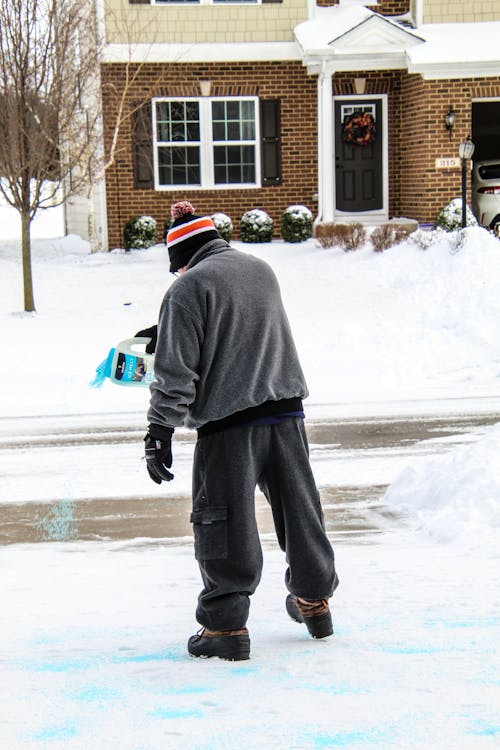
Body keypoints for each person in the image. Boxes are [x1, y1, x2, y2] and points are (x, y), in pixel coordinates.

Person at [144, 201, 338, 661]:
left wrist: (159, 430)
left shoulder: (188, 288)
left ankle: (225, 629)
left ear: (182, 258)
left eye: (178, 268)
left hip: (229, 427)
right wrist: (169, 329)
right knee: (301, 513)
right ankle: (315, 601)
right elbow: (241, 326)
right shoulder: (260, 269)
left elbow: (175, 375)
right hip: (287, 415)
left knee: (223, 523)